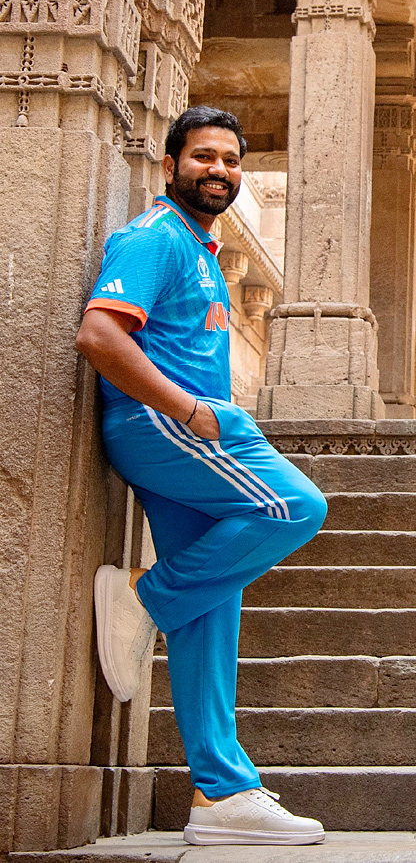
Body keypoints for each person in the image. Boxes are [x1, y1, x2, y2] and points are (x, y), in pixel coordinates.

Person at [77, 106, 329, 846]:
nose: (218, 169)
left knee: (209, 610)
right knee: (296, 508)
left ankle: (222, 796)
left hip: (178, 437)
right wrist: (194, 412)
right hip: (167, 429)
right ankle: (140, 598)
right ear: (170, 165)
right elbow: (99, 333)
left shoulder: (199, 246)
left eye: (230, 159)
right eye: (203, 156)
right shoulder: (156, 238)